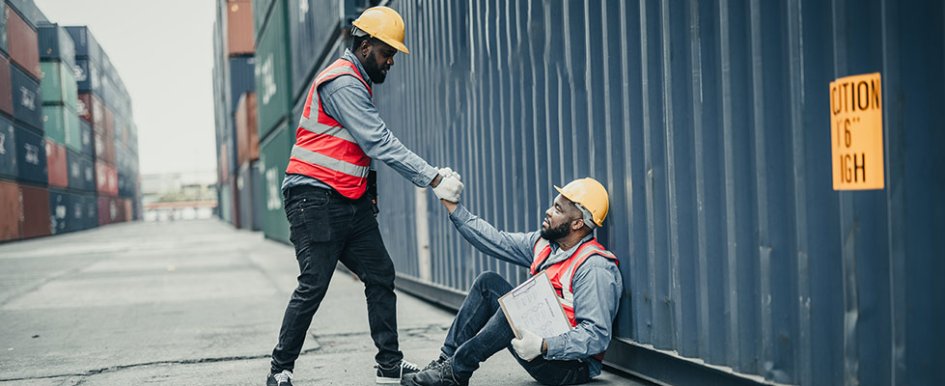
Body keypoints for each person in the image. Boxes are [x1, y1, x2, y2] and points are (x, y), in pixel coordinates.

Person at [267, 6, 464, 386]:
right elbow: (378, 141)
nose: (390, 61)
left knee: (380, 273)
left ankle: (389, 366)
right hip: (314, 198)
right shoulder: (342, 81)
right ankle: (280, 370)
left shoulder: (358, 81)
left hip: (348, 202)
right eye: (387, 53)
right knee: (314, 284)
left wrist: (369, 195)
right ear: (365, 46)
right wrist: (434, 178)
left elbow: (357, 149)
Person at [402, 177, 623, 386]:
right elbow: (495, 240)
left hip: (570, 366)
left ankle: (456, 371)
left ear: (577, 224)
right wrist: (452, 206)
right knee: (488, 283)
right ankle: (445, 362)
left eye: (557, 209)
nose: (548, 212)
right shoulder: (544, 245)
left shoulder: (593, 267)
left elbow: (596, 336)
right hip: (540, 345)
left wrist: (545, 346)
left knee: (516, 310)